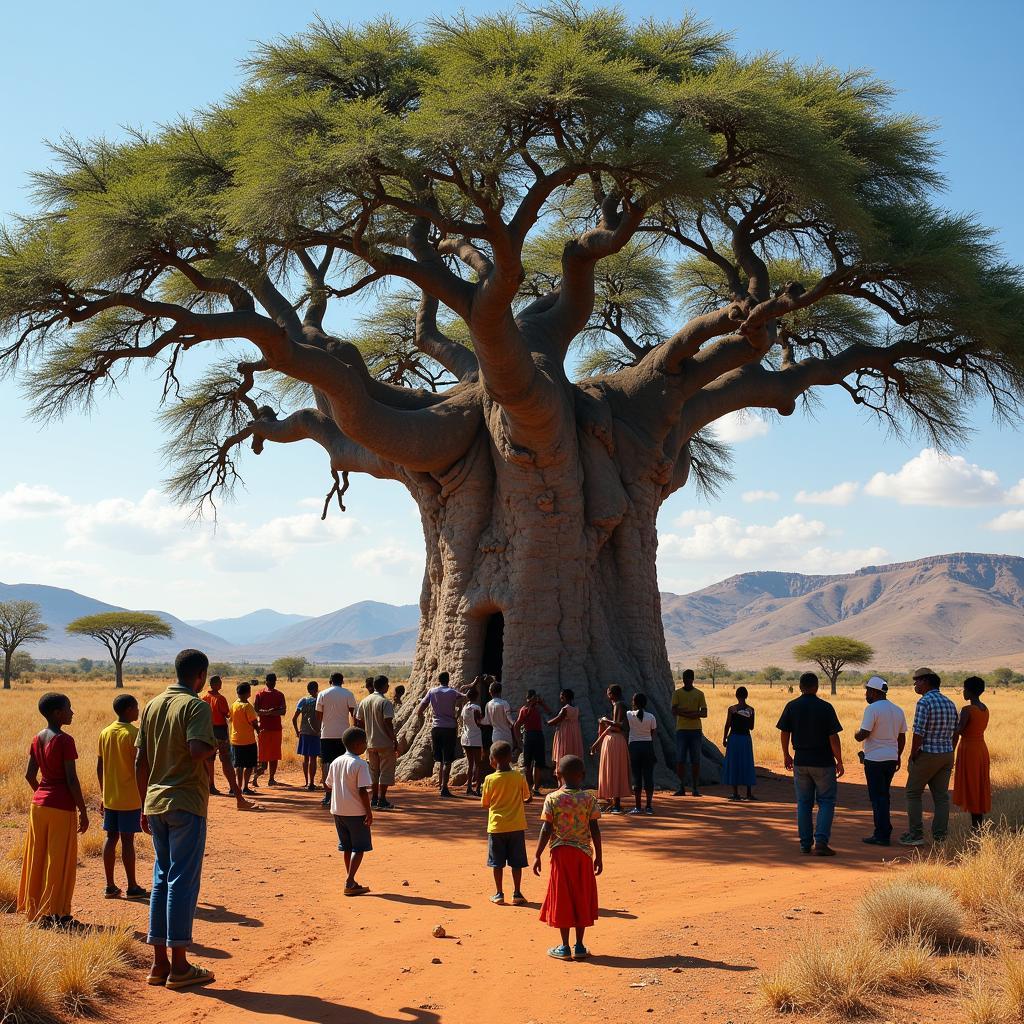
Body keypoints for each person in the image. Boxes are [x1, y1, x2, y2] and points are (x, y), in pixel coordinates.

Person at [136, 649, 218, 990]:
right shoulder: (196, 706)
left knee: (161, 879)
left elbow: (140, 760)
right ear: (200, 676)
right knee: (182, 882)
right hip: (185, 802)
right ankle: (180, 967)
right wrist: (216, 747)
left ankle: (159, 965)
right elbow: (198, 749)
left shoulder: (153, 705)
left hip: (155, 803)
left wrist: (143, 804)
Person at [18, 692, 89, 930]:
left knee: (38, 857)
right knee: (59, 861)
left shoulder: (37, 738)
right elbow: (71, 778)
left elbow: (30, 775)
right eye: (69, 708)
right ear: (58, 713)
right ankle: (58, 915)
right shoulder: (65, 740)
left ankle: (37, 910)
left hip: (38, 805)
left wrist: (44, 793)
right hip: (61, 807)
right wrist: (83, 809)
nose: (72, 712)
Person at [533, 754, 602, 962]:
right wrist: (599, 855)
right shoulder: (589, 799)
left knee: (562, 896)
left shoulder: (552, 799)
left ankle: (564, 947)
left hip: (561, 854)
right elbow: (595, 829)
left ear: (558, 774)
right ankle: (579, 946)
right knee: (581, 895)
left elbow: (546, 829)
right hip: (583, 855)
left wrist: (537, 855)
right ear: (582, 775)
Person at [776, 672, 844, 857]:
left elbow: (784, 732)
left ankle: (805, 844)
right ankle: (821, 842)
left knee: (804, 803)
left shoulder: (792, 706)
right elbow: (833, 737)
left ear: (799, 687)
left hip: (801, 761)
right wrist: (839, 760)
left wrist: (786, 755)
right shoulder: (825, 707)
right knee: (826, 801)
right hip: (823, 762)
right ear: (816, 687)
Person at [97, 693, 148, 900]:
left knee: (111, 838)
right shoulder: (134, 734)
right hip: (130, 796)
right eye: (136, 708)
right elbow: (140, 766)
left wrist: (103, 794)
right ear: (128, 710)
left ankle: (110, 885)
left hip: (110, 796)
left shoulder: (105, 732)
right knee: (128, 841)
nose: (138, 712)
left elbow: (99, 767)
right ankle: (132, 886)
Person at [900, 668, 958, 846]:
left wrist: (913, 754)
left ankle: (916, 835)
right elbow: (956, 731)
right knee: (941, 797)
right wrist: (950, 750)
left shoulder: (924, 702)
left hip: (927, 754)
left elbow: (918, 732)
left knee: (913, 792)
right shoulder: (950, 702)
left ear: (926, 681)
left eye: (917, 681)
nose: (915, 684)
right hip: (946, 754)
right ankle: (940, 836)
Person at [853, 676, 907, 846]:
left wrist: (856, 733)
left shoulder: (872, 709)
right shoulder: (898, 710)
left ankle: (881, 834)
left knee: (877, 798)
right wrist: (897, 755)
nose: (866, 694)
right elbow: (902, 737)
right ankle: (884, 830)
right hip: (891, 758)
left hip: (874, 759)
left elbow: (864, 733)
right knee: (884, 795)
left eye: (868, 690)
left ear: (874, 692)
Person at [481, 740, 532, 905]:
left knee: (497, 863)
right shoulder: (519, 776)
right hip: (516, 826)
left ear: (492, 759)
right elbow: (527, 797)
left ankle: (499, 893)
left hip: (496, 827)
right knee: (517, 862)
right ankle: (517, 893)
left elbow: (485, 803)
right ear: (511, 757)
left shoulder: (489, 779)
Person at [325, 726, 373, 896]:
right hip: (356, 812)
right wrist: (369, 812)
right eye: (365, 742)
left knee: (347, 846)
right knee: (359, 848)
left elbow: (328, 785)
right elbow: (362, 790)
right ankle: (350, 881)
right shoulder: (360, 764)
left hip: (338, 811)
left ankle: (350, 879)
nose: (366, 745)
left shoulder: (336, 762)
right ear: (358, 744)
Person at [417, 671, 464, 798]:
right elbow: (464, 696)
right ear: (448, 680)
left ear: (439, 680)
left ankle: (440, 785)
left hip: (436, 728)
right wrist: (473, 685)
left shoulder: (432, 692)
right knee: (447, 759)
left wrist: (421, 719)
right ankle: (444, 788)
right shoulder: (452, 692)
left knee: (440, 759)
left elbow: (420, 709)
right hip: (449, 728)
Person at [952, 676, 991, 831]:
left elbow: (959, 730)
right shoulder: (984, 708)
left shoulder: (968, 710)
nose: (963, 692)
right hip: (981, 749)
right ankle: (978, 823)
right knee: (979, 784)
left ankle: (976, 826)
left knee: (972, 785)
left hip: (969, 750)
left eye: (964, 689)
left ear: (969, 691)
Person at [316, 673, 357, 808]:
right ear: (342, 681)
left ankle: (328, 795)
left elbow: (319, 716)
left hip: (326, 734)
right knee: (343, 764)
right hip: (343, 735)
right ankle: (342, 794)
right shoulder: (348, 694)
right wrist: (355, 730)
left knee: (326, 764)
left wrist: (320, 729)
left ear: (330, 681)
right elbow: (353, 714)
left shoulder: (322, 694)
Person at [356, 676, 397, 810]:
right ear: (384, 685)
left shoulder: (365, 701)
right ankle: (382, 799)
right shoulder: (385, 702)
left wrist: (363, 739)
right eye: (387, 684)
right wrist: (393, 739)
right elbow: (387, 722)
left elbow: (359, 722)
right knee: (385, 771)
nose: (388, 686)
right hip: (384, 742)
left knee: (373, 771)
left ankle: (373, 799)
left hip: (370, 743)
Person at [590, 685, 632, 814]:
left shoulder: (618, 705)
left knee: (614, 770)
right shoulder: (620, 705)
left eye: (608, 692)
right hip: (616, 741)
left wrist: (605, 720)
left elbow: (619, 726)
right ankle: (614, 803)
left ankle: (617, 805)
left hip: (615, 741)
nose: (607, 695)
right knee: (614, 770)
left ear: (612, 694)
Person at [672, 668, 707, 796]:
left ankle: (695, 788)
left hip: (695, 731)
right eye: (686, 679)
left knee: (695, 760)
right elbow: (673, 711)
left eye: (689, 679)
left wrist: (686, 713)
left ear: (692, 679)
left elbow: (705, 713)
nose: (687, 681)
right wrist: (693, 714)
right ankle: (681, 787)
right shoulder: (677, 693)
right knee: (680, 759)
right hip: (681, 730)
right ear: (683, 679)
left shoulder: (699, 694)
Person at [200, 676, 236, 799]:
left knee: (209, 759)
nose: (221, 685)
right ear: (215, 684)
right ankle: (233, 786)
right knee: (226, 758)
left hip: (207, 729)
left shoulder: (204, 697)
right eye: (220, 683)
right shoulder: (220, 698)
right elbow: (227, 714)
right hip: (220, 730)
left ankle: (211, 785)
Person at [721, 686, 757, 802]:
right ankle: (748, 793)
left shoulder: (732, 709)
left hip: (734, 738)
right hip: (746, 738)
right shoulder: (751, 710)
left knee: (734, 763)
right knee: (747, 763)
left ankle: (735, 793)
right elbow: (751, 727)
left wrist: (724, 738)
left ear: (736, 696)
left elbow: (727, 725)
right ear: (746, 696)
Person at [253, 673, 286, 786]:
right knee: (262, 755)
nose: (272, 683)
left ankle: (271, 778)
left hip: (275, 728)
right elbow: (256, 711)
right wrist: (270, 712)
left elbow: (283, 711)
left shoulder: (279, 694)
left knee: (274, 755)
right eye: (271, 681)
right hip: (264, 729)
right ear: (266, 681)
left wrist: (268, 712)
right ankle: (256, 777)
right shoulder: (259, 694)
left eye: (274, 681)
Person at [515, 689, 551, 796]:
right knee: (527, 764)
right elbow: (517, 725)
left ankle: (535, 787)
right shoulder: (524, 709)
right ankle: (528, 787)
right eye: (533, 698)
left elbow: (549, 712)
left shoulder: (538, 708)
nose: (534, 700)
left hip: (538, 735)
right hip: (529, 735)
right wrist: (518, 741)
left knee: (538, 763)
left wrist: (542, 703)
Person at [626, 693, 657, 815]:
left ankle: (637, 806)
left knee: (636, 776)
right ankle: (649, 806)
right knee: (648, 776)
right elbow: (653, 733)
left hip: (634, 747)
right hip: (647, 746)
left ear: (634, 702)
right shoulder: (651, 717)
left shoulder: (629, 714)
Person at [229, 682, 261, 797]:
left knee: (238, 765)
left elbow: (230, 718)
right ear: (248, 693)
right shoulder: (248, 707)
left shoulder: (234, 704)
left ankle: (237, 786)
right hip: (247, 740)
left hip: (235, 739)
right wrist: (258, 730)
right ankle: (245, 787)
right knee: (249, 765)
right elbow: (253, 722)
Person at [292, 681, 322, 791]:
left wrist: (297, 731)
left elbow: (294, 718)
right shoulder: (320, 700)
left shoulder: (303, 701)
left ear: (308, 689)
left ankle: (306, 781)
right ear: (317, 688)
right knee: (313, 758)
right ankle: (312, 783)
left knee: (306, 758)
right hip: (316, 732)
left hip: (304, 732)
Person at [460, 684, 485, 797]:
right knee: (478, 764)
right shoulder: (477, 707)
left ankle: (469, 787)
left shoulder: (465, 707)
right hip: (475, 737)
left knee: (470, 764)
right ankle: (478, 788)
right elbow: (479, 721)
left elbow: (463, 720)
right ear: (476, 697)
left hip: (466, 737)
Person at [549, 689, 583, 769]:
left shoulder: (565, 709)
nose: (560, 698)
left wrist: (547, 722)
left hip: (565, 735)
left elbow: (557, 720)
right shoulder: (576, 709)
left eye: (561, 696)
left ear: (564, 697)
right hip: (573, 735)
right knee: (572, 751)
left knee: (564, 753)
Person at [485, 678, 515, 754]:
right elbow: (510, 720)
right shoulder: (504, 703)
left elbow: (487, 721)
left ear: (490, 692)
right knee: (507, 759)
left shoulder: (488, 704)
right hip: (506, 735)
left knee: (498, 758)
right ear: (500, 691)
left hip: (495, 735)